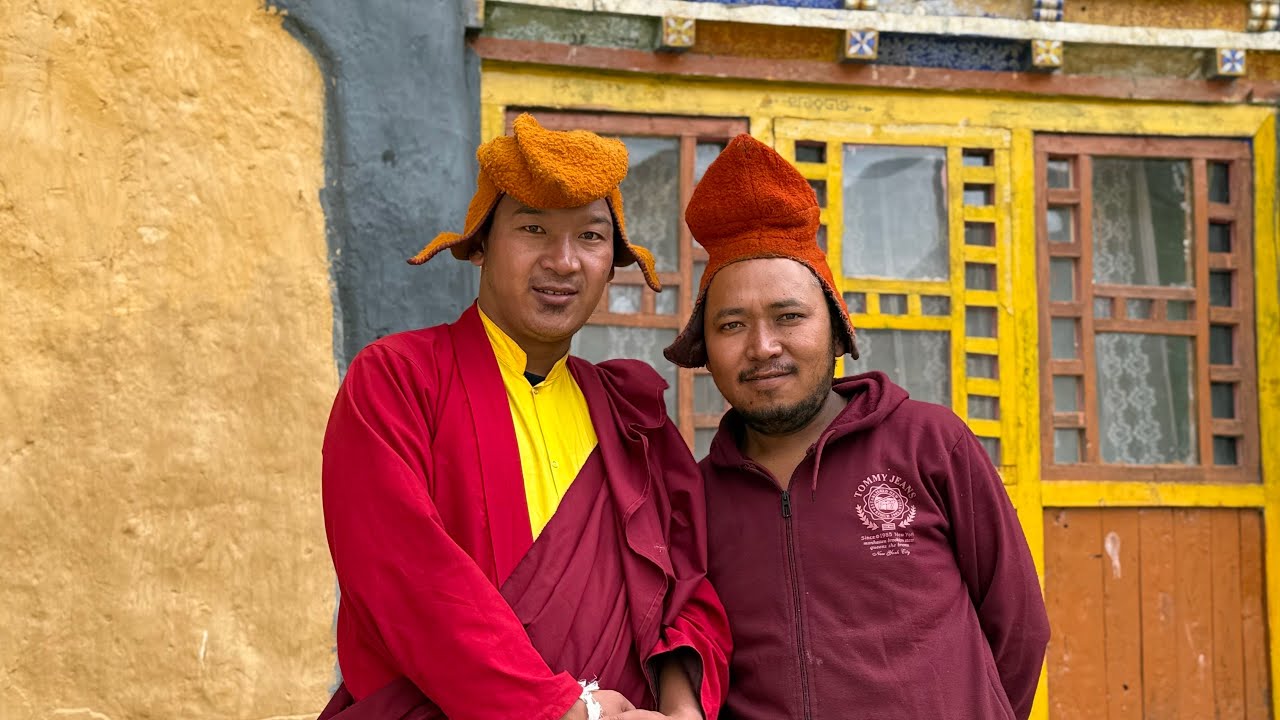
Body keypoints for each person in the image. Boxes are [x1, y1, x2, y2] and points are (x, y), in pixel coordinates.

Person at [318, 114, 730, 720]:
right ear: (481, 244)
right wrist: (562, 710)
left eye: (590, 237)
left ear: (612, 259)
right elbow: (405, 580)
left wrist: (681, 708)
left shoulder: (629, 415)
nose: (563, 262)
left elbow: (684, 587)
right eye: (534, 228)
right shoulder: (400, 379)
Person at [663, 134, 1049, 720]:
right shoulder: (696, 497)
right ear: (706, 348)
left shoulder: (929, 444)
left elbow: (1019, 626)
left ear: (837, 328)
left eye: (789, 317)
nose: (764, 347)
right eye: (732, 324)